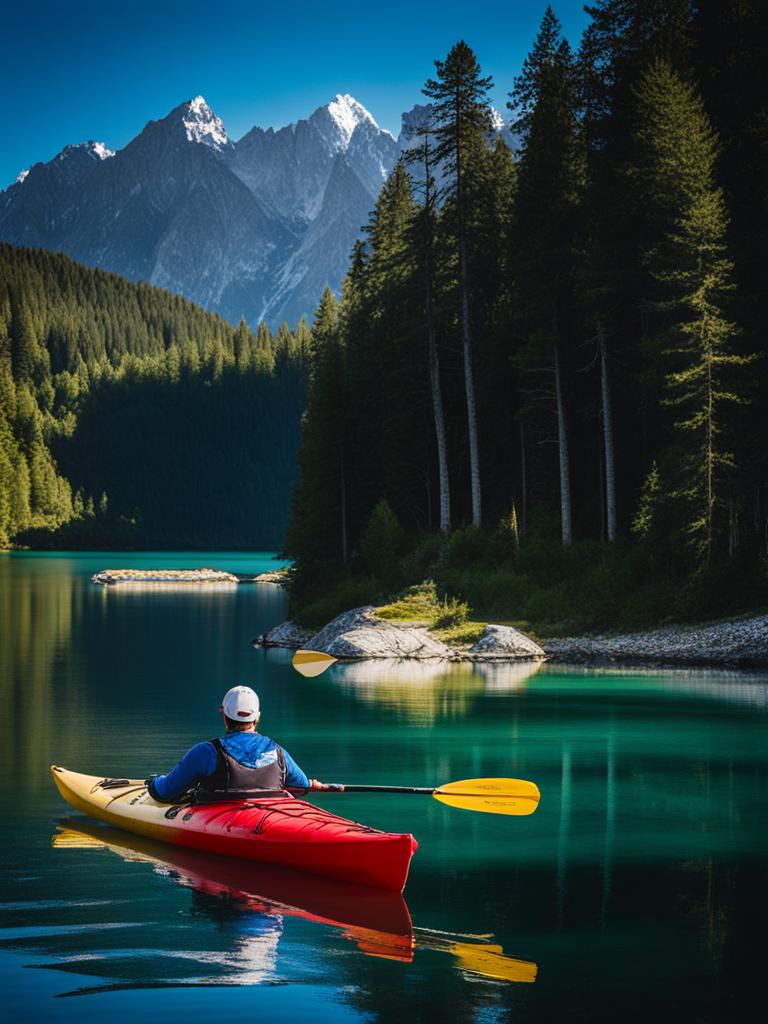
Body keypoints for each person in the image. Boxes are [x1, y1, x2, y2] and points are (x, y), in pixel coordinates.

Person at [146, 685, 330, 803]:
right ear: (257, 718)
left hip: (224, 820)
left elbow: (164, 791)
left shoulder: (205, 752)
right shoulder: (277, 752)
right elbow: (301, 784)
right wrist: (311, 784)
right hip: (267, 815)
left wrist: (153, 782)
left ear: (224, 716)